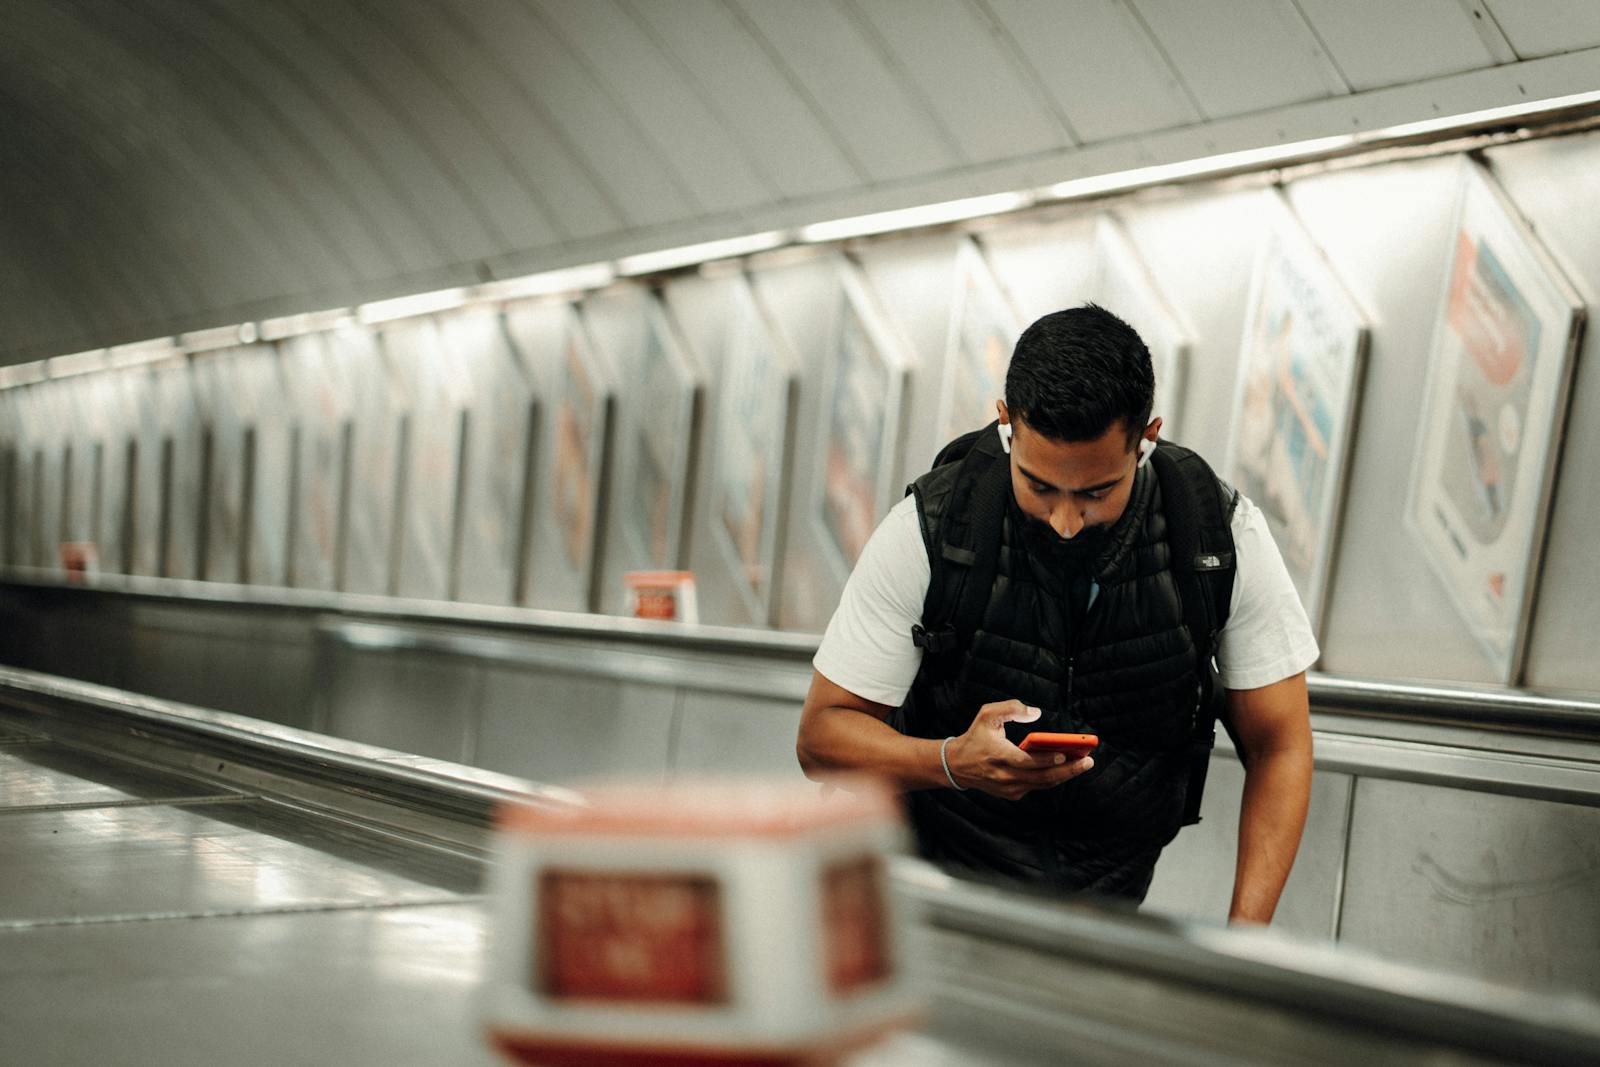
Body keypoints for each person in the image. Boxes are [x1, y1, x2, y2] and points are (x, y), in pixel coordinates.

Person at [796, 305, 1316, 923]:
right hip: (922, 898)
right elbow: (822, 738)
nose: (1066, 522)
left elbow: (1279, 743)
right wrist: (951, 762)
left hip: (1104, 911)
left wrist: (1245, 945)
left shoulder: (1215, 534)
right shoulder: (932, 527)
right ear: (1006, 423)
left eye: (1096, 492)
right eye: (1039, 486)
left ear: (1146, 438)